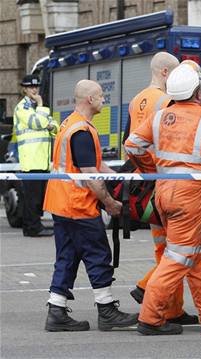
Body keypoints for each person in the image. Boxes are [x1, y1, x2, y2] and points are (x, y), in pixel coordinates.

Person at [125, 63, 201, 335]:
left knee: (195, 252)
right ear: (198, 92)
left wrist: (151, 169)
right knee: (178, 257)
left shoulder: (160, 117)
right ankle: (151, 317)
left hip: (164, 192)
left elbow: (132, 145)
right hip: (190, 198)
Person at [42, 80, 138, 332]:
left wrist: (121, 175)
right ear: (89, 100)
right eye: (100, 96)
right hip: (77, 205)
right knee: (98, 255)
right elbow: (88, 174)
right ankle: (106, 310)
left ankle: (56, 310)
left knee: (67, 256)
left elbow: (94, 166)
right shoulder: (82, 132)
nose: (104, 100)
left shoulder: (71, 123)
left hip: (60, 203)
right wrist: (109, 202)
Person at [123, 53, 198, 326]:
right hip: (171, 184)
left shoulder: (136, 100)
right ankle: (148, 290)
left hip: (149, 186)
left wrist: (146, 169)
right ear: (166, 72)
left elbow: (130, 143)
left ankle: (173, 309)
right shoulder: (167, 102)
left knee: (163, 248)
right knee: (176, 251)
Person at [13, 74, 57, 237]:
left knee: (38, 197)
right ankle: (31, 228)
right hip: (31, 160)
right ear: (24, 89)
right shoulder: (22, 108)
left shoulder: (37, 109)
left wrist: (48, 123)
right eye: (31, 87)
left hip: (42, 161)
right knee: (32, 198)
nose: (34, 89)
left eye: (36, 86)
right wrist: (41, 106)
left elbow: (54, 128)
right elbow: (39, 123)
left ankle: (36, 224)